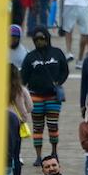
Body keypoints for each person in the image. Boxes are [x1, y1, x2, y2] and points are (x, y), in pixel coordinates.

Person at [20, 29, 69, 165]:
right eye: (36, 39)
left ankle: (54, 151)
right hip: (35, 97)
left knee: (53, 126)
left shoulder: (57, 53)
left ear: (47, 38)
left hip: (53, 97)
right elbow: (24, 77)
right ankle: (38, 156)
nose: (39, 41)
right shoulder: (30, 57)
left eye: (42, 38)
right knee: (37, 127)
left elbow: (64, 70)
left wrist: (58, 82)